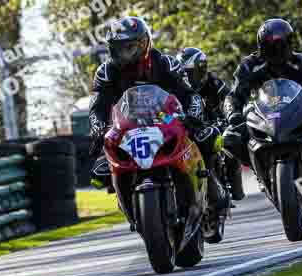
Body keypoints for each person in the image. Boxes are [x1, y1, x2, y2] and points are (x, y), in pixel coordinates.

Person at [88, 17, 223, 210]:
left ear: (143, 44)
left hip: (164, 118)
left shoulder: (165, 63)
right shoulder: (106, 72)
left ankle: (210, 186)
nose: (122, 54)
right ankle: (125, 198)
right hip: (126, 125)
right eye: (117, 49)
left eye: (128, 48)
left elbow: (189, 95)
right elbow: (97, 106)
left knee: (206, 137)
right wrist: (97, 127)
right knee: (99, 167)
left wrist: (193, 117)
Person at [221, 17, 302, 183]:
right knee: (230, 137)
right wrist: (233, 114)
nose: (277, 49)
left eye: (282, 44)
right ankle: (258, 169)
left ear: (290, 43)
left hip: (300, 107)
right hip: (264, 112)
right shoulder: (249, 65)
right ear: (261, 46)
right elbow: (234, 95)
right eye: (272, 45)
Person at [176, 47, 245, 201]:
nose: (187, 77)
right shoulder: (177, 87)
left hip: (214, 123)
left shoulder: (214, 82)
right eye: (184, 73)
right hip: (189, 127)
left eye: (191, 73)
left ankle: (235, 188)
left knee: (231, 144)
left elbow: (229, 99)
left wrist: (230, 117)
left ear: (201, 70)